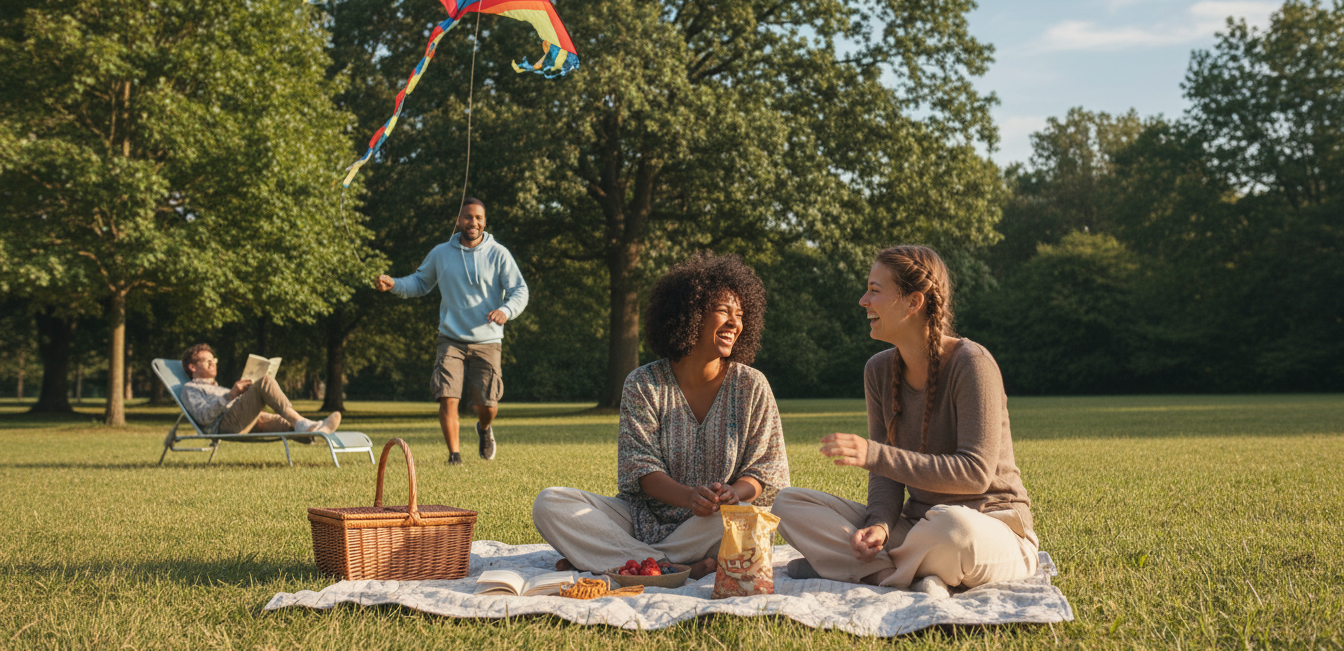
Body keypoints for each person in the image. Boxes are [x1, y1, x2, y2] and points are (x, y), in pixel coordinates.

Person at [772, 245, 1038, 594]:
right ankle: (911, 574)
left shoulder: (973, 364)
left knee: (952, 529)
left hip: (990, 529)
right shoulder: (878, 370)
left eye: (875, 291)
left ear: (914, 302)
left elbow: (974, 475)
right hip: (914, 528)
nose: (863, 300)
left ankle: (860, 571)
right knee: (788, 504)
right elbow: (887, 480)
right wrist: (880, 525)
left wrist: (874, 454)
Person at [532, 253, 789, 579]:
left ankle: (621, 562)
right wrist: (688, 496)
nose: (735, 322)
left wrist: (735, 492)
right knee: (550, 503)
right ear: (690, 313)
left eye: (740, 314)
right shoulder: (643, 383)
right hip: (643, 519)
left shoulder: (751, 385)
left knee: (750, 515)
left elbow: (766, 470)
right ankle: (673, 566)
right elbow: (640, 467)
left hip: (712, 523)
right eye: (723, 311)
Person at [375, 197, 528, 465]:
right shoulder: (441, 253)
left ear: (485, 221)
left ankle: (484, 429)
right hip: (450, 340)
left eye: (479, 218)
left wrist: (506, 310)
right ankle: (454, 456)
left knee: (487, 405)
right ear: (458, 220)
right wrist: (394, 284)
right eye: (468, 217)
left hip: (488, 339)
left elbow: (520, 290)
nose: (473, 222)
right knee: (448, 396)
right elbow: (420, 283)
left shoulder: (498, 253)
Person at [177, 344, 341, 436]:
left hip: (245, 419)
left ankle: (318, 430)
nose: (213, 364)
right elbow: (203, 417)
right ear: (192, 367)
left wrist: (240, 395)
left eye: (214, 360)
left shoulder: (217, 387)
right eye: (207, 361)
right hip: (225, 426)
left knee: (284, 423)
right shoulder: (190, 389)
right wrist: (230, 395)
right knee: (265, 381)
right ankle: (303, 423)